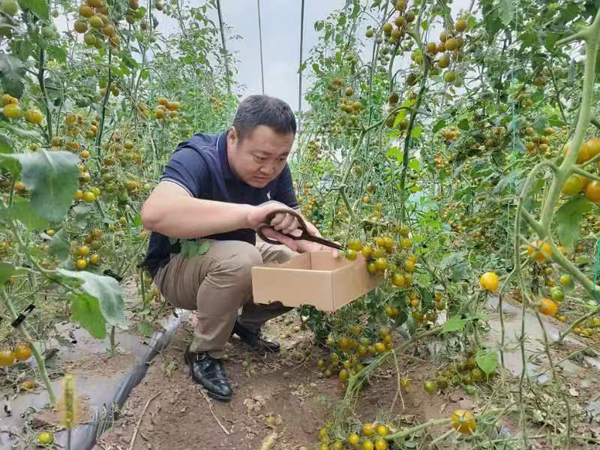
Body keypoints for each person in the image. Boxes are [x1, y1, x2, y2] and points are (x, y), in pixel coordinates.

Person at [140, 95, 330, 402]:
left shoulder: (276, 170)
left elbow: (299, 231)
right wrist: (249, 215)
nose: (270, 168)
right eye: (260, 157)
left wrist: (329, 256)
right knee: (244, 259)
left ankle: (245, 323)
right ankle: (204, 353)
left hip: (231, 256)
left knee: (295, 265)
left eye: (281, 158)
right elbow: (154, 214)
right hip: (176, 266)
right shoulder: (198, 157)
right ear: (233, 137)